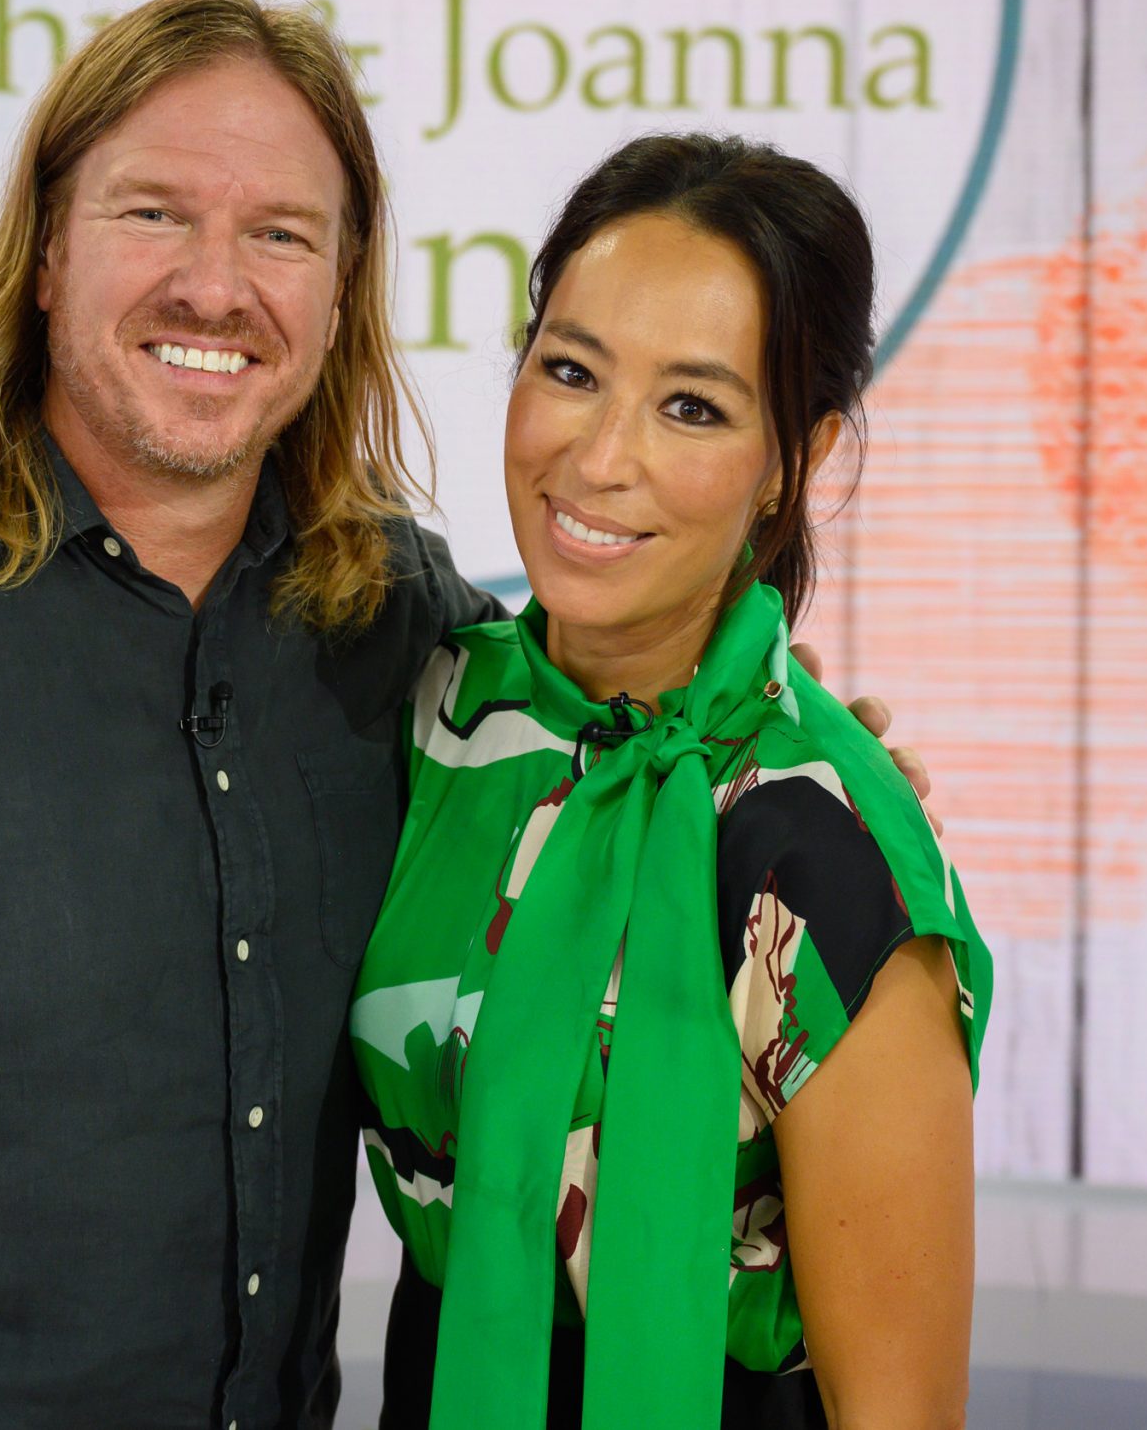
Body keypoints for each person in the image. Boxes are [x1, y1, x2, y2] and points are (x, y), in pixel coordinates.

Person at [0, 0, 936, 1430]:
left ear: (340, 289)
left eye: (279, 234)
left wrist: (826, 787)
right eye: (152, 215)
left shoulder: (399, 622)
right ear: (48, 251)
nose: (213, 284)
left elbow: (615, 734)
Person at [353, 135, 987, 1430]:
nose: (599, 458)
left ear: (794, 457)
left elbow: (900, 1413)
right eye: (572, 371)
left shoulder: (825, 847)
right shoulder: (433, 721)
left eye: (691, 406)